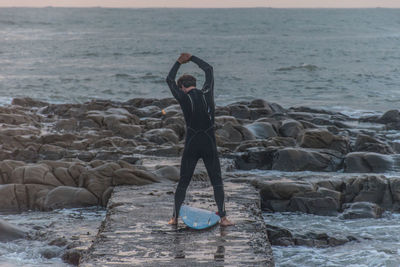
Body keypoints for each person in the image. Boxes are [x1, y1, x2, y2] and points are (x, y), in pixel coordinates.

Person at [166, 53, 233, 227]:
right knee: (216, 181)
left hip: (192, 145)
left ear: (182, 87)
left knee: (184, 182)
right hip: (209, 144)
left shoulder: (183, 97)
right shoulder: (207, 92)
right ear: (195, 84)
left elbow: (169, 80)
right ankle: (224, 218)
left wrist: (178, 62)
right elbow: (209, 69)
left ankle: (174, 218)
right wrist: (192, 58)